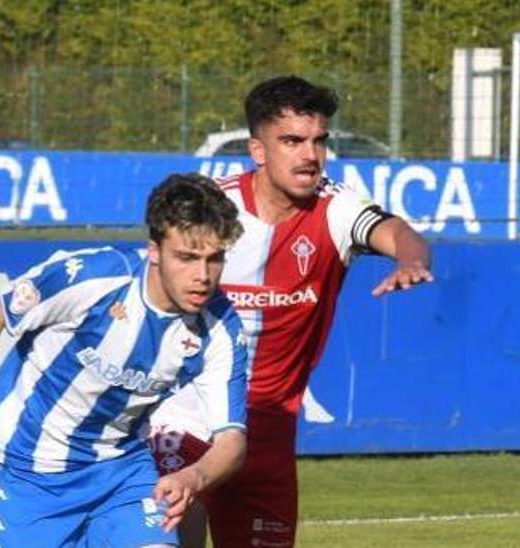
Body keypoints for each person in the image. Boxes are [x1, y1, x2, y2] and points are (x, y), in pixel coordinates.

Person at [149, 75, 434, 548]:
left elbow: (398, 232)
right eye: (292, 141)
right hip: (185, 413)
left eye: (319, 141)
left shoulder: (336, 209)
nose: (310, 155)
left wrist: (412, 259)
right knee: (176, 525)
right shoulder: (211, 210)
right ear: (258, 150)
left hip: (269, 429)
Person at [0, 173, 250, 547]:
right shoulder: (92, 278)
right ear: (154, 251)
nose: (202, 276)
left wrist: (191, 478)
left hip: (122, 470)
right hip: (27, 474)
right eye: (186, 257)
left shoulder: (220, 328)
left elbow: (231, 440)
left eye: (215, 259)